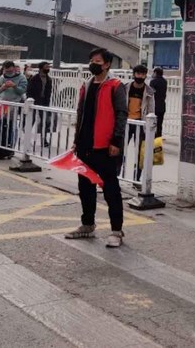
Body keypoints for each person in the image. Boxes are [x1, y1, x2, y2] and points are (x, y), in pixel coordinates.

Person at [66, 47, 128, 247]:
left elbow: (121, 114)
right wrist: (77, 140)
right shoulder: (86, 85)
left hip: (105, 147)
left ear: (107, 64)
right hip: (85, 145)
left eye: (98, 61)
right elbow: (80, 113)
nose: (93, 64)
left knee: (111, 189)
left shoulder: (115, 86)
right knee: (85, 187)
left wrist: (116, 141)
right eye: (92, 61)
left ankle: (116, 231)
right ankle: (87, 224)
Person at [0, 60, 28, 160]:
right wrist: (3, 87)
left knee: (11, 127)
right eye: (6, 71)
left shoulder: (21, 78)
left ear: (14, 68)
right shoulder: (2, 78)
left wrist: (14, 86)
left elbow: (22, 91)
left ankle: (10, 149)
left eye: (10, 71)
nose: (8, 73)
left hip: (13, 105)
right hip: (1, 105)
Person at [27, 61, 55, 146]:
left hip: (44, 102)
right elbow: (29, 90)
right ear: (41, 68)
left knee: (45, 121)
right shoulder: (34, 78)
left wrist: (47, 103)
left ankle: (44, 140)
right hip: (34, 101)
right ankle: (27, 138)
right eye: (46, 67)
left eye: (48, 67)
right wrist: (30, 100)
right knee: (31, 120)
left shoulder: (49, 79)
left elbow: (49, 92)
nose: (48, 68)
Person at [149, 67, 168, 137]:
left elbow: (150, 93)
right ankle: (159, 137)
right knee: (160, 123)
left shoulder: (153, 82)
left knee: (152, 123)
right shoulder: (164, 81)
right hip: (162, 105)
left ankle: (152, 136)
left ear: (155, 73)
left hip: (154, 105)